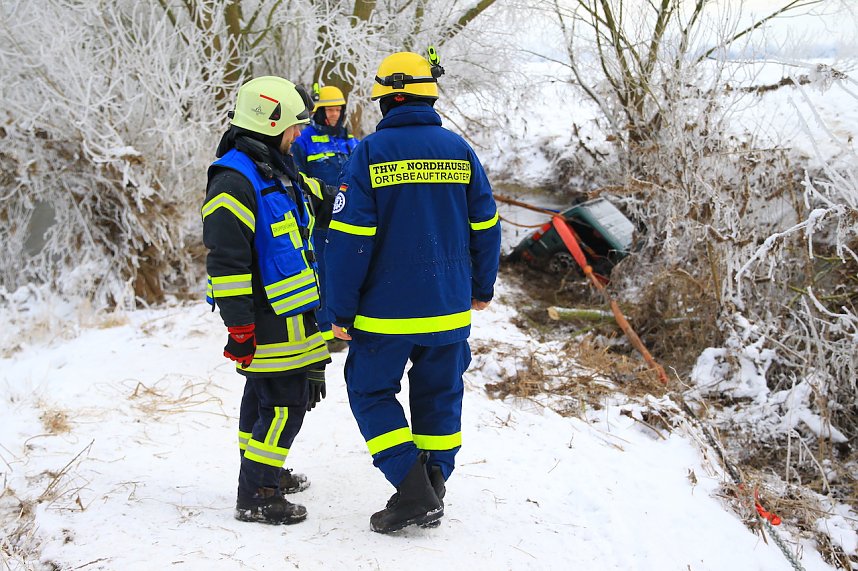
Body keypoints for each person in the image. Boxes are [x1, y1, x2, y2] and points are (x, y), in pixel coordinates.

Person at [324, 49, 502, 534]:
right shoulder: (460, 151)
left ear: (384, 101)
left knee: (369, 389)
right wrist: (481, 286)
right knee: (440, 396)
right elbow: (486, 225)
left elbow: (348, 243)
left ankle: (412, 486)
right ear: (430, 95)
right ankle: (434, 482)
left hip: (385, 316)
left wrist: (338, 310)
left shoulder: (367, 154)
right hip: (447, 310)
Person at [202, 76, 332, 525]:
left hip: (291, 313)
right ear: (269, 122)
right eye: (294, 126)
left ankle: (264, 469)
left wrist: (357, 196)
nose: (299, 134)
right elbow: (227, 263)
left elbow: (315, 202)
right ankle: (257, 493)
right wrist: (240, 329)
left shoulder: (273, 166)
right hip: (266, 316)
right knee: (284, 404)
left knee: (262, 399)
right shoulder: (234, 180)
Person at [292, 84, 360, 351]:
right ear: (319, 111)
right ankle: (323, 331)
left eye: (337, 109)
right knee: (322, 273)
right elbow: (296, 178)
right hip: (318, 220)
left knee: (346, 272)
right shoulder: (303, 139)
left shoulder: (350, 139)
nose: (334, 114)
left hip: (349, 220)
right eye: (329, 109)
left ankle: (343, 324)